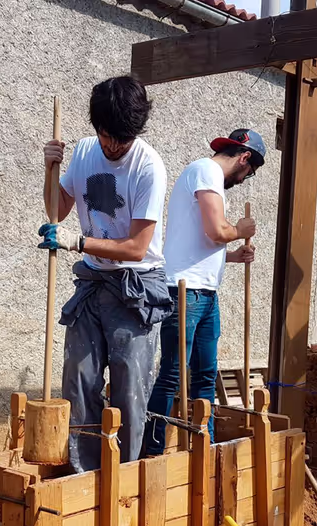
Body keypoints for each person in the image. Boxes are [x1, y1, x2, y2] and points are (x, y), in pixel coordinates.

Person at [39, 76, 171, 472]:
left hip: (137, 287)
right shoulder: (81, 153)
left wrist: (77, 243)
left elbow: (135, 246)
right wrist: (49, 168)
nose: (114, 146)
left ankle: (124, 480)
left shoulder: (148, 166)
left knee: (130, 391)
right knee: (78, 382)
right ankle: (84, 477)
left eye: (123, 139)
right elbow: (55, 211)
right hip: (93, 282)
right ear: (97, 128)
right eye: (107, 136)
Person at [145, 129, 265, 454]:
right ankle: (152, 453)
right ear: (244, 158)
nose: (243, 179)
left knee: (205, 375)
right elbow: (216, 231)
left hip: (203, 293)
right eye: (248, 174)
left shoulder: (205, 175)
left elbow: (197, 241)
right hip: (183, 293)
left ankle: (205, 449)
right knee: (172, 374)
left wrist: (233, 255)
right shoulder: (206, 170)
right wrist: (240, 231)